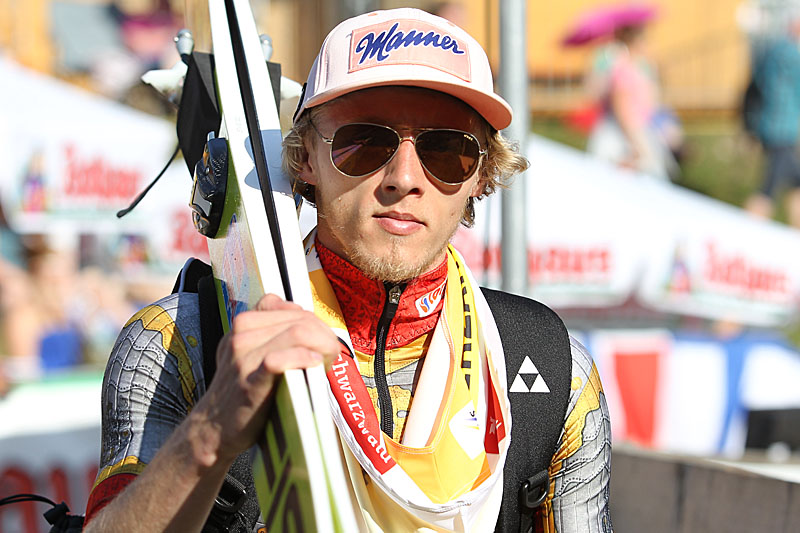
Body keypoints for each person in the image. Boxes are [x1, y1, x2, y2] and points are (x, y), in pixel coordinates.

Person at [83, 8, 612, 533]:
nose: (404, 178)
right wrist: (208, 435)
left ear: (482, 175)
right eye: (365, 142)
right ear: (304, 158)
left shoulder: (554, 366)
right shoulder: (177, 341)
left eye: (447, 150)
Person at [585, 23, 678, 180]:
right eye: (646, 41)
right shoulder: (623, 69)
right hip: (626, 133)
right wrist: (636, 145)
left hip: (638, 128)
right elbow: (622, 108)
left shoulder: (639, 67)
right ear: (636, 43)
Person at [744, 18, 800, 228]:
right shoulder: (794, 56)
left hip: (768, 122)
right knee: (769, 186)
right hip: (783, 127)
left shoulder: (771, 51)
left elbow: (756, 81)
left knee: (796, 179)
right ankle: (748, 228)